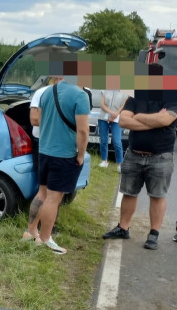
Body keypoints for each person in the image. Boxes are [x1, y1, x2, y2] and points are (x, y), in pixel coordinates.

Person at [103, 73, 177, 250]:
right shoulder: (134, 98)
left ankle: (153, 234)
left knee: (157, 196)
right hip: (134, 154)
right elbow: (123, 122)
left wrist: (137, 117)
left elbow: (166, 119)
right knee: (129, 193)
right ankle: (123, 228)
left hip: (160, 156)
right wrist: (155, 121)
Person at [24, 77, 90, 254]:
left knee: (42, 192)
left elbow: (41, 120)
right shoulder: (80, 95)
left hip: (45, 151)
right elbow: (83, 131)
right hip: (64, 154)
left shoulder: (47, 91)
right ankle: (45, 239)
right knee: (54, 198)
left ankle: (30, 232)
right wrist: (81, 155)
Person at [22, 80, 53, 240]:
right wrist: (59, 124)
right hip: (43, 142)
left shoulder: (73, 94)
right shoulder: (42, 92)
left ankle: (47, 227)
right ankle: (34, 230)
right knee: (45, 189)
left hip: (60, 144)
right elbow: (34, 119)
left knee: (54, 191)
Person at [98, 88, 127, 171]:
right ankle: (104, 161)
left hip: (117, 118)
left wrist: (115, 114)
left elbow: (124, 106)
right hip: (103, 117)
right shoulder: (105, 90)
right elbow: (102, 104)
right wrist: (111, 113)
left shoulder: (125, 92)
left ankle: (119, 164)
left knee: (117, 142)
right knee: (103, 140)